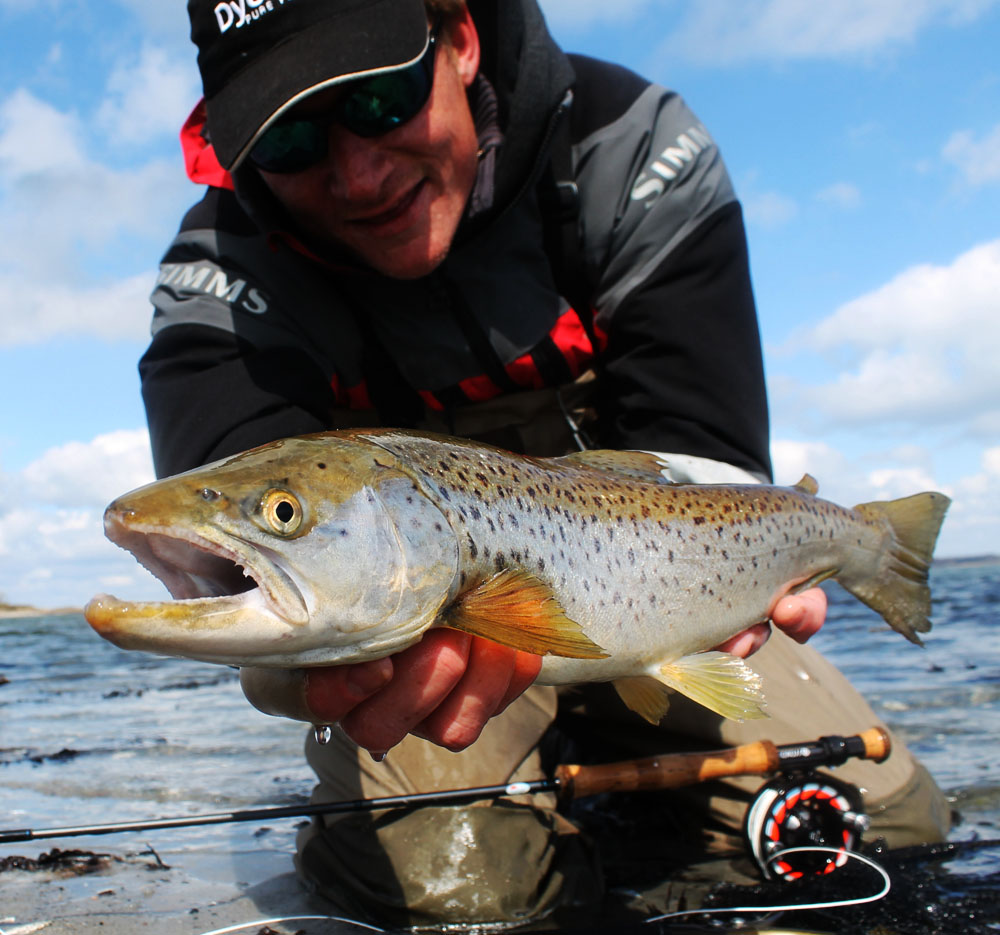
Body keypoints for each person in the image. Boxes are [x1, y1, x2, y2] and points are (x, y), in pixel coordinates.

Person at [141, 0, 950, 925]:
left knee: (887, 826)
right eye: (288, 138)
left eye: (380, 100)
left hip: (661, 590)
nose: (359, 173)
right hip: (427, 645)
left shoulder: (629, 148)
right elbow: (240, 529)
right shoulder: (216, 275)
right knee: (458, 889)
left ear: (458, 39)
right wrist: (290, 653)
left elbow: (704, 453)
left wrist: (738, 588)